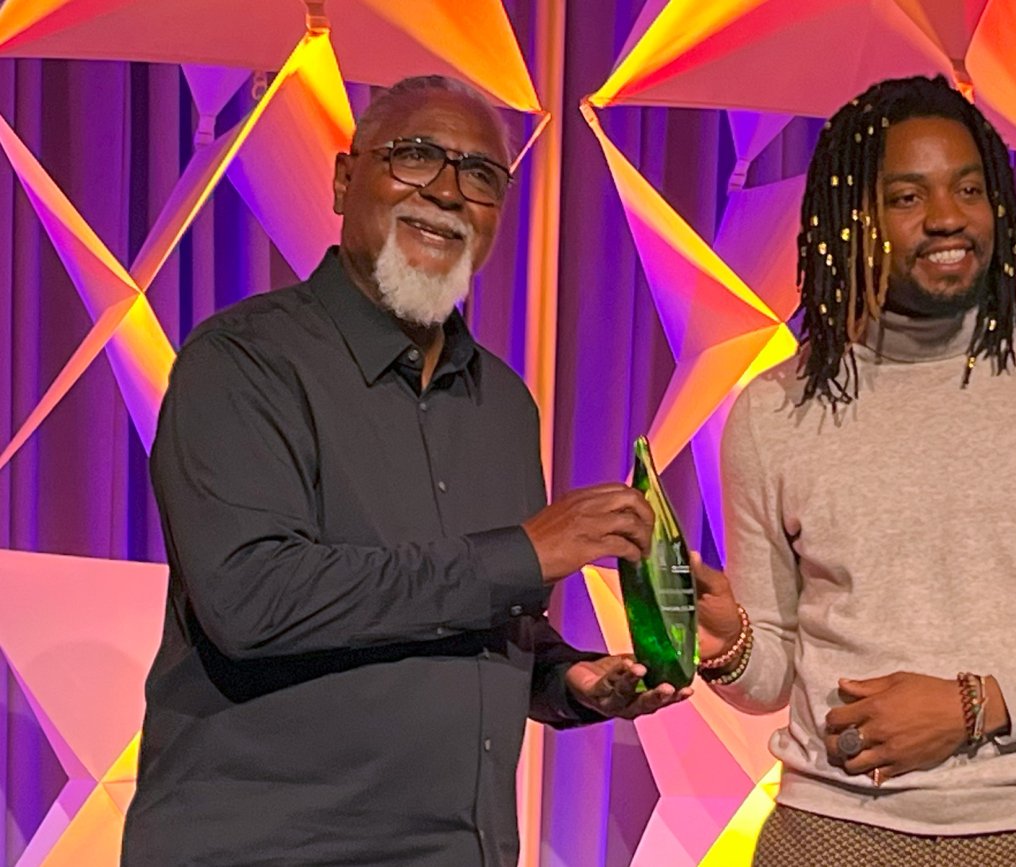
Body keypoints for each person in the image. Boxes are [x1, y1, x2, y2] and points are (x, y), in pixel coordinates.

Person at [121, 75, 689, 867]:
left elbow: (468, 613)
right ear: (346, 180)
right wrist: (523, 551)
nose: (450, 192)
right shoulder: (243, 363)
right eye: (418, 157)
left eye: (481, 175)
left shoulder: (503, 404)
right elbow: (251, 600)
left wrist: (566, 678)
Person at [690, 75, 1016, 866]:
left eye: (969, 188)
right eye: (908, 196)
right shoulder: (774, 410)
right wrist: (729, 640)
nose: (947, 217)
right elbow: (771, 675)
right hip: (831, 836)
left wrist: (979, 706)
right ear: (849, 220)